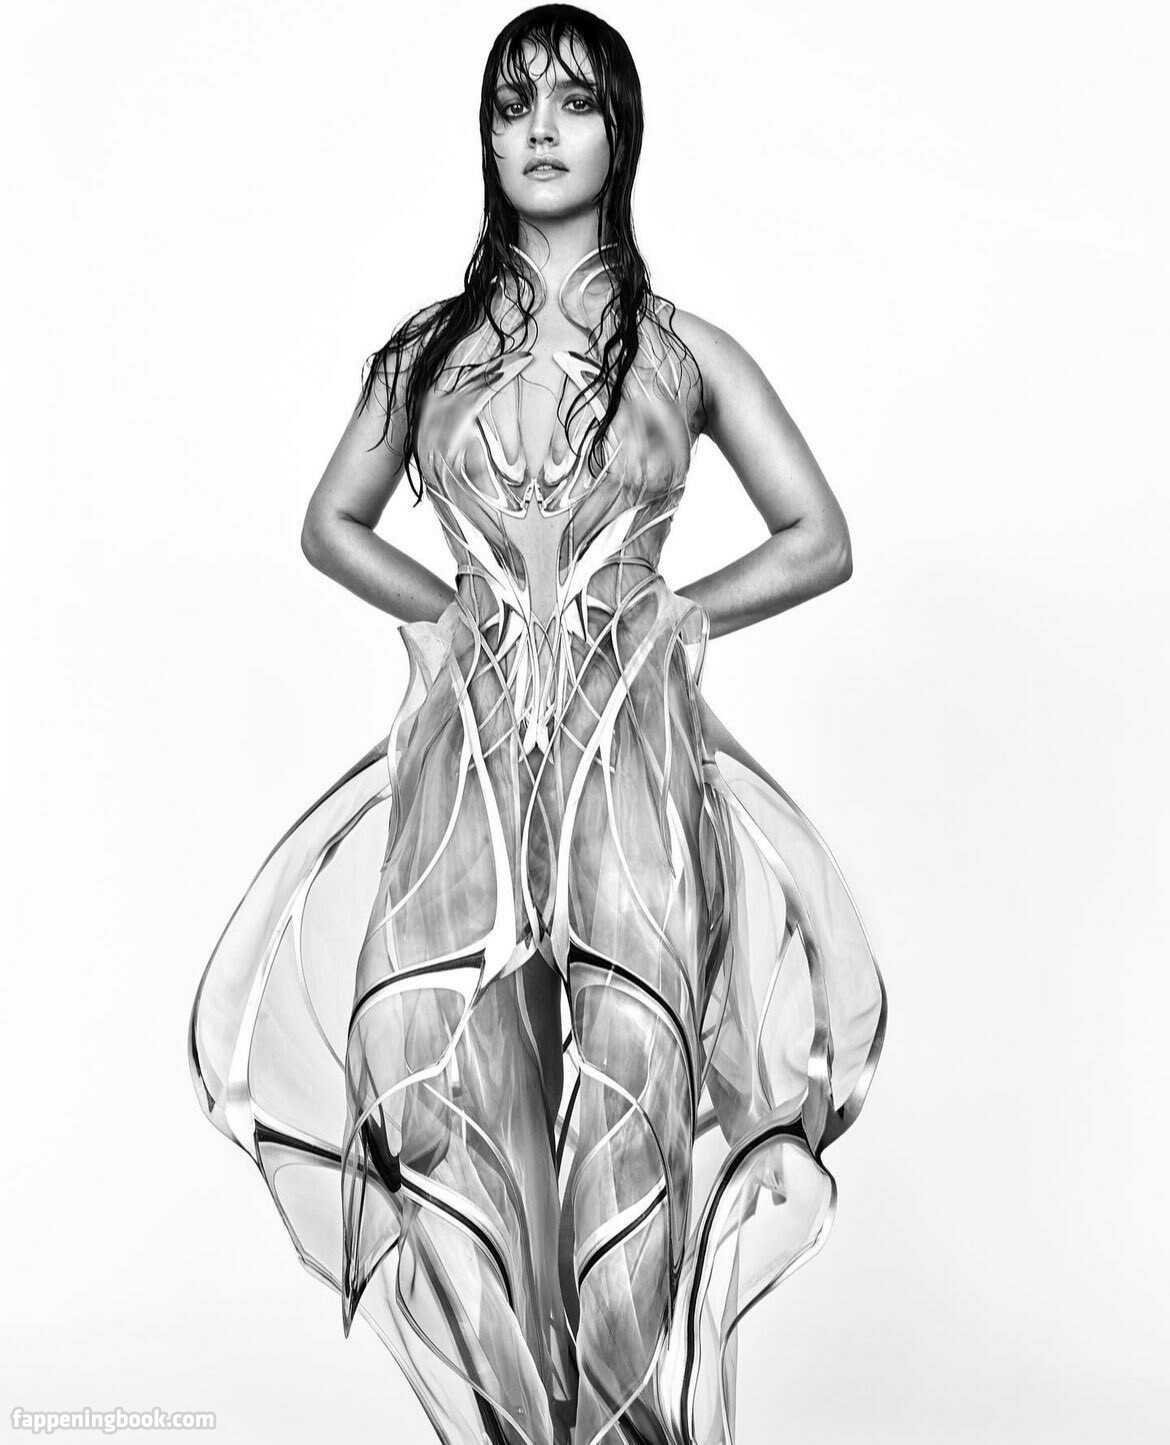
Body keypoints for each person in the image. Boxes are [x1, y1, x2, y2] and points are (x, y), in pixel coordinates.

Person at [187, 7, 888, 1443]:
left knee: (632, 1114)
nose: (542, 130)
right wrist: (448, 615)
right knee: (430, 1080)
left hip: (632, 767)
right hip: (468, 764)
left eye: (573, 102)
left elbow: (818, 537)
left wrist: (678, 617)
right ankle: (517, 1424)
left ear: (621, 134)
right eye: (513, 106)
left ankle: (634, 1431)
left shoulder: (684, 352)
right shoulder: (426, 352)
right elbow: (331, 522)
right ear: (487, 138)